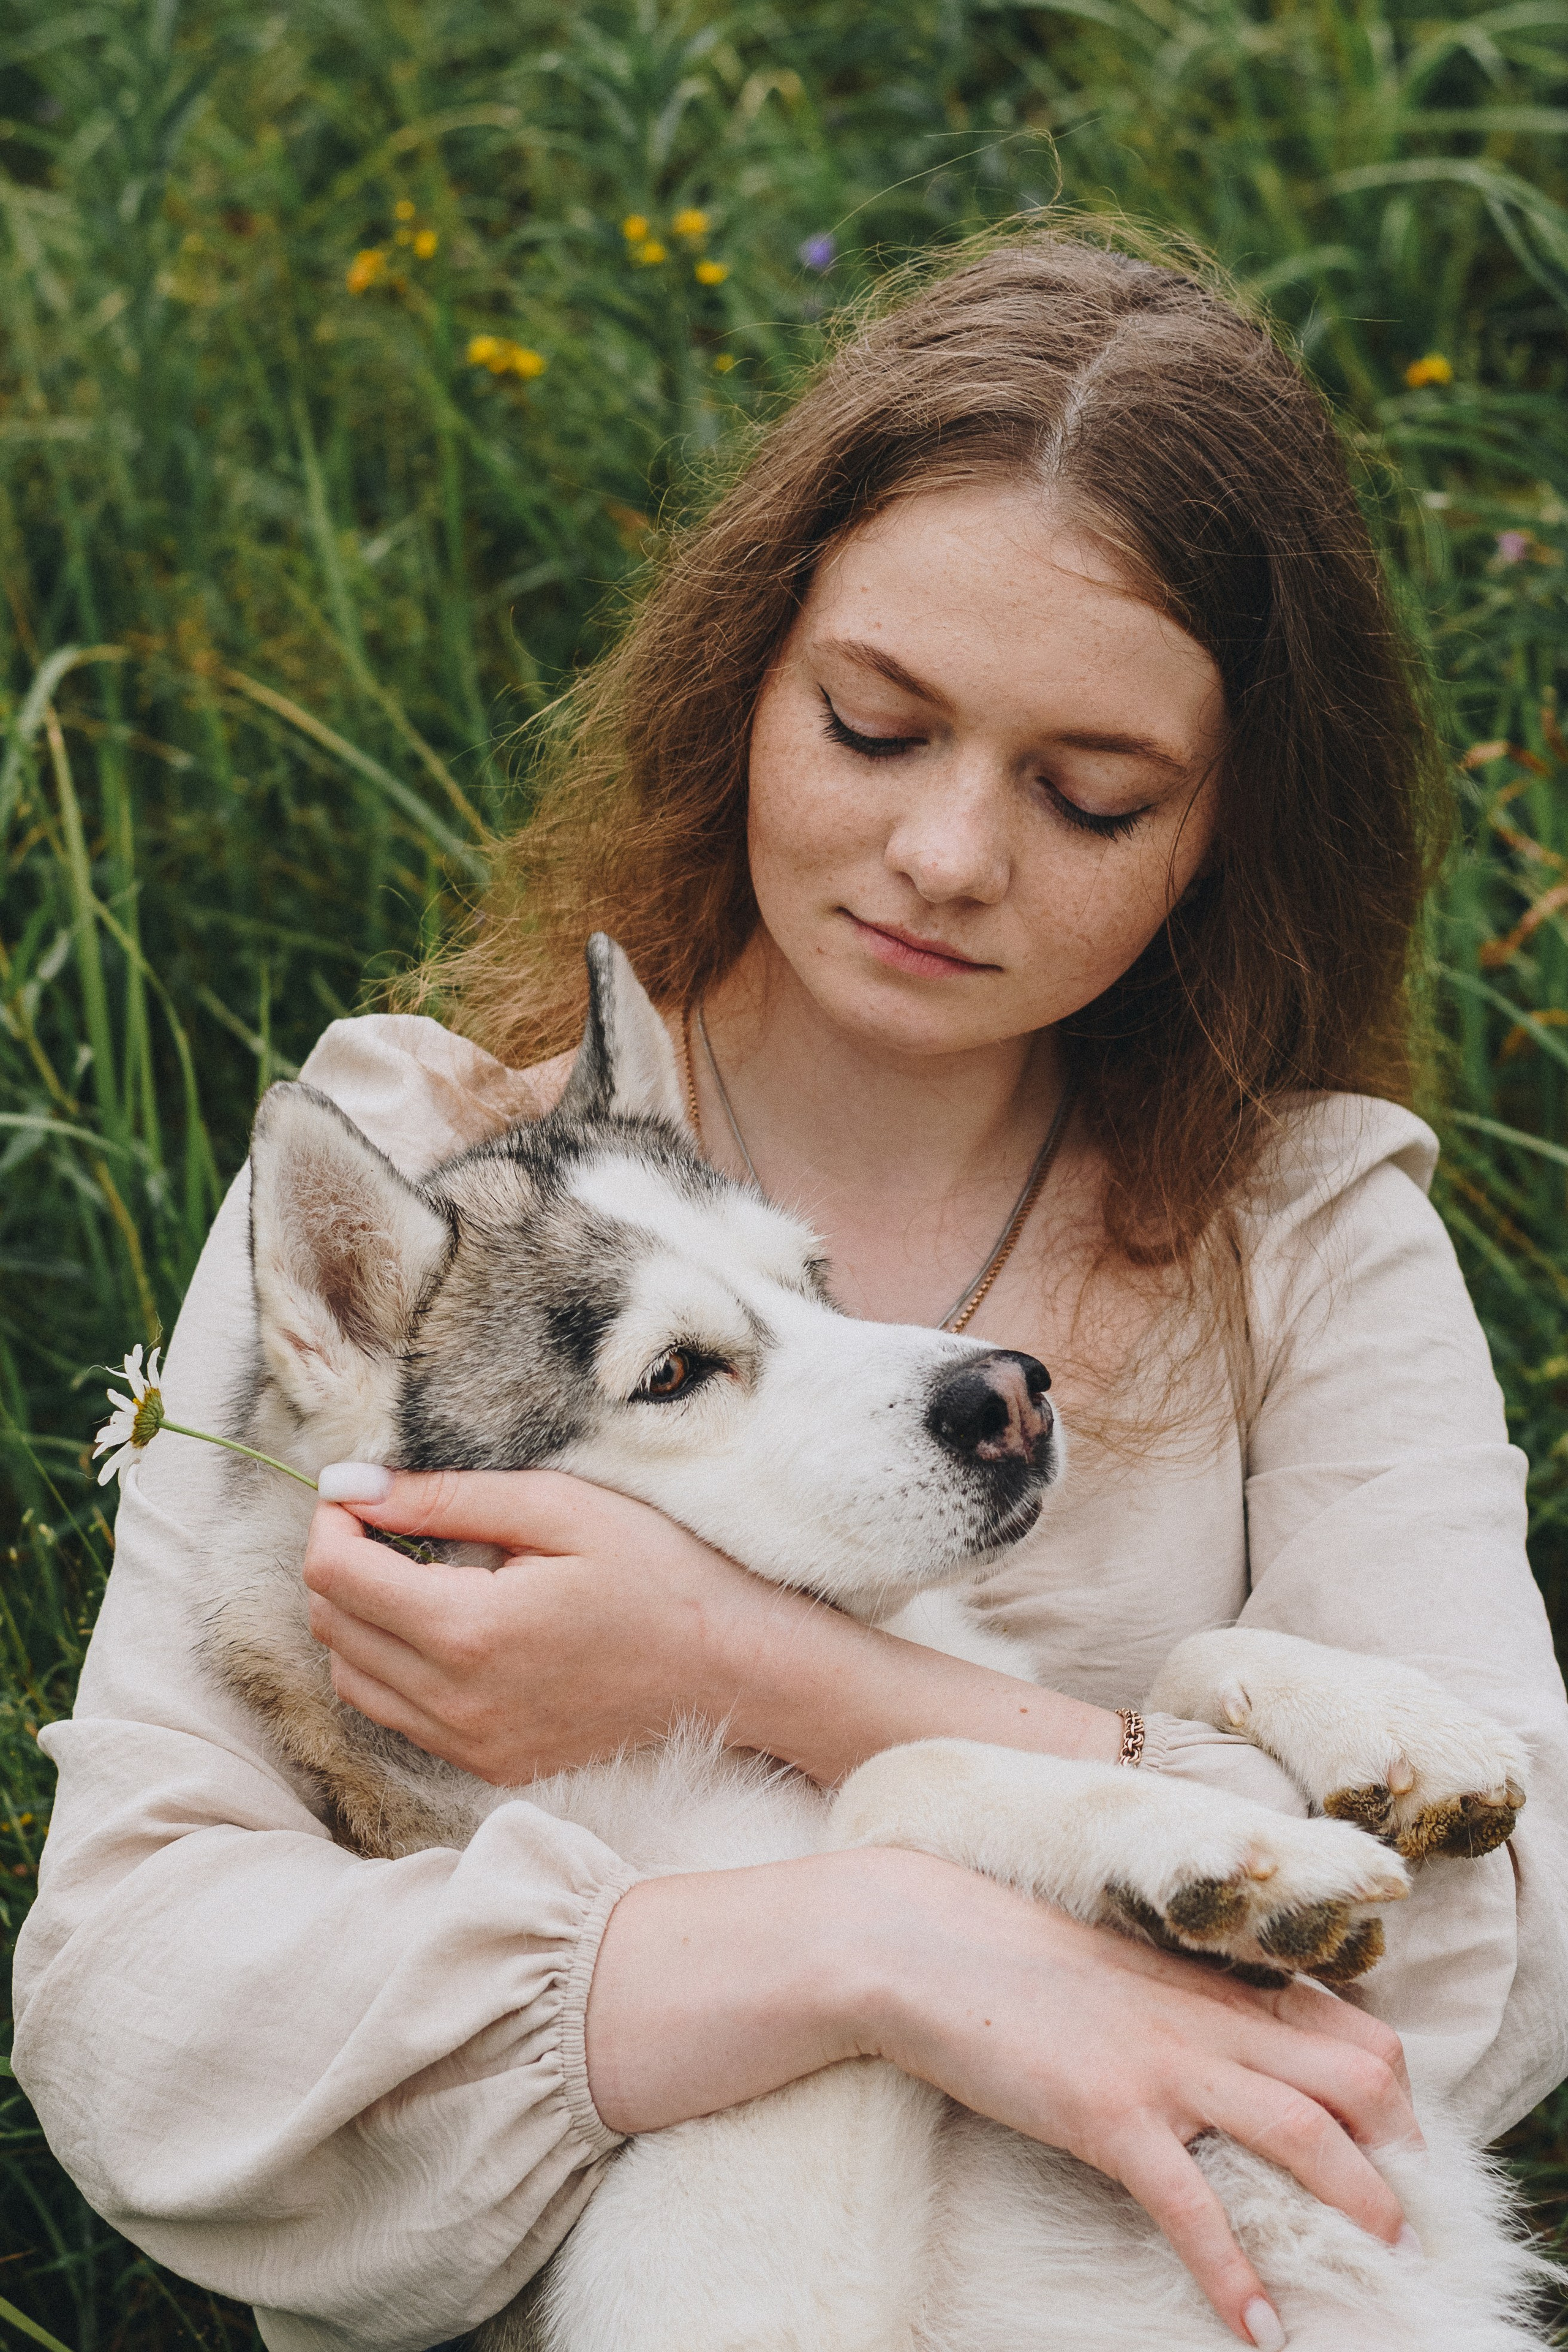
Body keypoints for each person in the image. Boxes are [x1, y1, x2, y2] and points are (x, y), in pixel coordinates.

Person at [14, 226, 1568, 2352]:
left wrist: (786, 1684)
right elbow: (137, 2005)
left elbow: (1502, 1953)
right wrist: (874, 1956)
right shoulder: (424, 1184)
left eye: (1089, 795)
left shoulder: (1295, 1231)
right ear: (748, 668)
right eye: (872, 722)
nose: (947, 854)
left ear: (1223, 831)